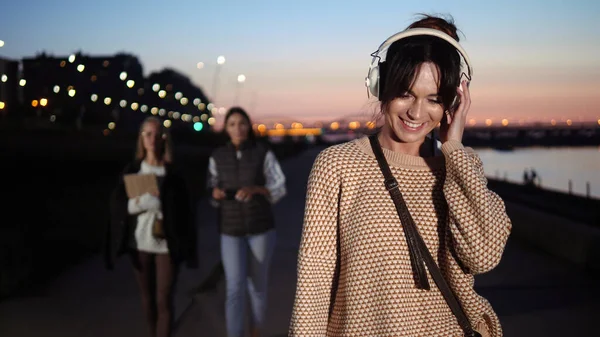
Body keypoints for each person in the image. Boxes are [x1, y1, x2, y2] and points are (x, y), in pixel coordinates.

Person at [289, 14, 512, 337]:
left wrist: (453, 147)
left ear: (453, 103)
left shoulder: (460, 168)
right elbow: (314, 284)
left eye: (434, 99)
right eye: (406, 93)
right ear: (381, 86)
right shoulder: (337, 166)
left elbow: (483, 255)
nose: (417, 113)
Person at [106, 116, 197, 337]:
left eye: (157, 134)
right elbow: (117, 207)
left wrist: (190, 249)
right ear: (141, 138)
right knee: (148, 301)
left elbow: (186, 213)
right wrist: (144, 202)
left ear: (164, 139)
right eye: (147, 134)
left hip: (167, 244)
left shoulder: (173, 173)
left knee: (163, 299)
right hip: (140, 243)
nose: (152, 139)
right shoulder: (133, 170)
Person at [208, 107, 287, 337]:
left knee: (257, 288)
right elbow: (210, 185)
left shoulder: (262, 152)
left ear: (248, 126)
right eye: (232, 124)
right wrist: (215, 194)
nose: (237, 128)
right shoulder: (217, 156)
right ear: (226, 128)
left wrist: (257, 189)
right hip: (230, 230)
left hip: (260, 229)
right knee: (234, 287)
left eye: (241, 123)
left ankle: (255, 331)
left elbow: (279, 187)